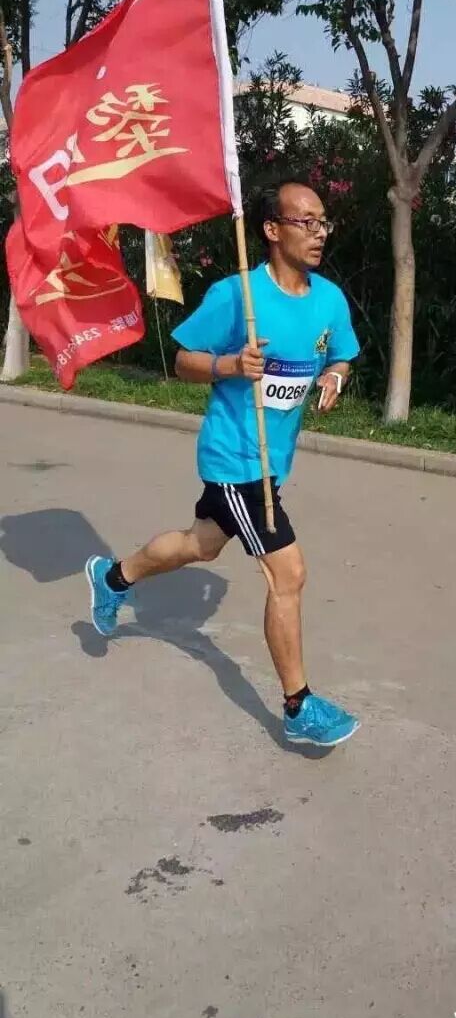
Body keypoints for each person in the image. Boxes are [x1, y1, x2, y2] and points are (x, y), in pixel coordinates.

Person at [85, 180, 361, 747]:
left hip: (273, 459)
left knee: (201, 544)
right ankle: (298, 705)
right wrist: (230, 365)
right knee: (288, 573)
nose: (319, 233)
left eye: (323, 222)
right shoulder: (238, 295)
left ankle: (112, 577)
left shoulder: (329, 299)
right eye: (306, 222)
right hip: (236, 458)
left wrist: (334, 377)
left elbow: (343, 355)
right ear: (272, 229)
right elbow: (183, 360)